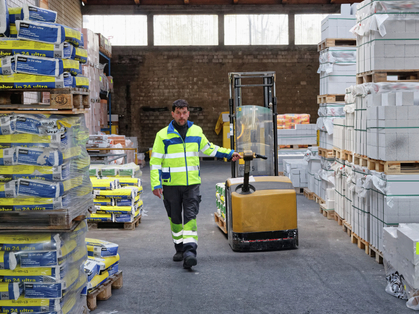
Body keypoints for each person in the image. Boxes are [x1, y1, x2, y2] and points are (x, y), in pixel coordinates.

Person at [150, 99, 241, 269]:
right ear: (172, 114)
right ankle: (179, 247)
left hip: (192, 184)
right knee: (175, 219)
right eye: (178, 112)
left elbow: (209, 148)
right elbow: (155, 162)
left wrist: (229, 153)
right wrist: (156, 184)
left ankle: (190, 252)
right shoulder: (162, 135)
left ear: (188, 113)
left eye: (184, 112)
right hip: (170, 185)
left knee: (190, 218)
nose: (181, 116)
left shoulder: (196, 131)